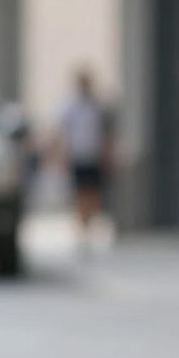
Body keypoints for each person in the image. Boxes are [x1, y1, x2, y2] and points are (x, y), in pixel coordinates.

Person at [50, 67, 115, 252]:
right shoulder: (70, 106)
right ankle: (82, 228)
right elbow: (60, 132)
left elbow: (107, 134)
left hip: (94, 156)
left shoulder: (98, 106)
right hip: (77, 156)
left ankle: (89, 224)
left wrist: (108, 155)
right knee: (80, 194)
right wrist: (58, 156)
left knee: (93, 194)